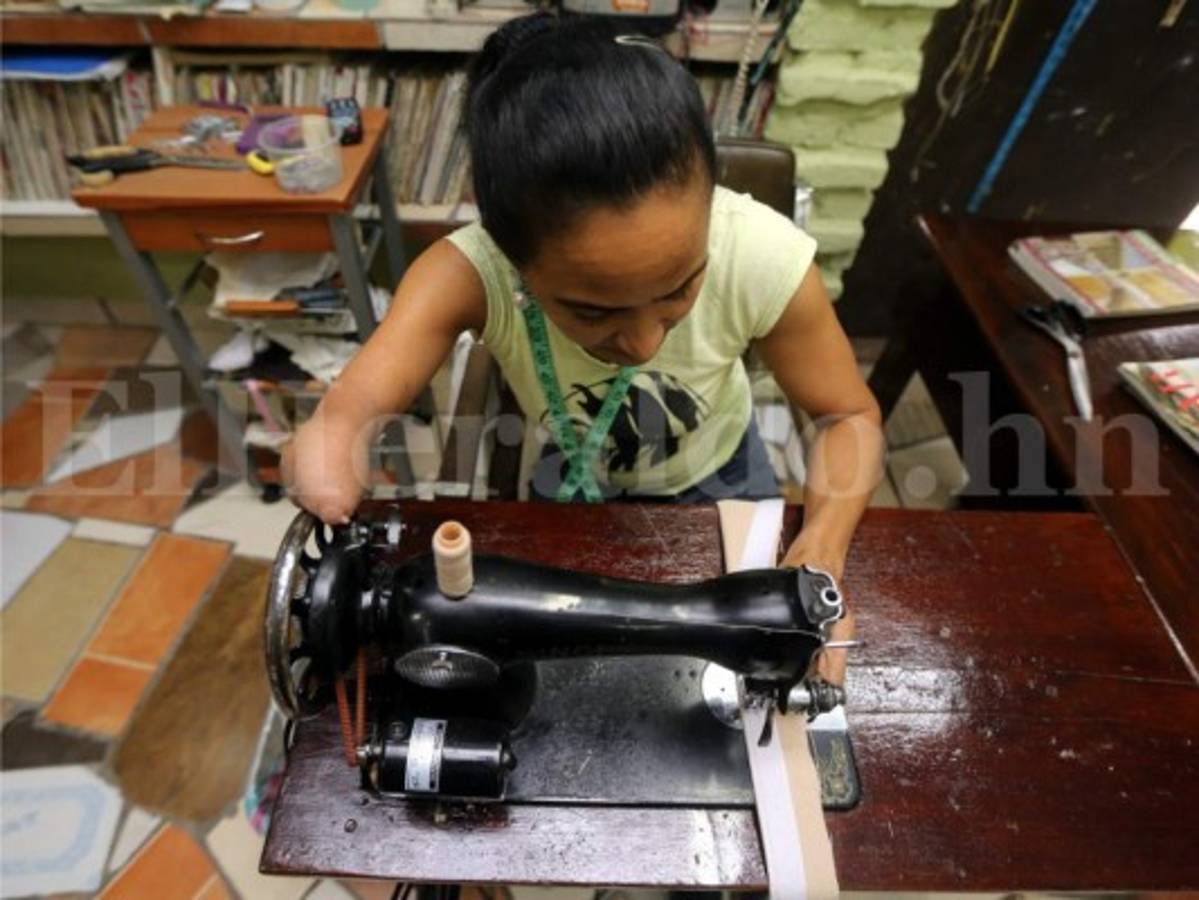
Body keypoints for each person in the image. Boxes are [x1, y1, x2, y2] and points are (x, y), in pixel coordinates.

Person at [284, 11, 883, 682]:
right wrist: (335, 433)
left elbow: (846, 417)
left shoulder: (763, 255)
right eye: (593, 311)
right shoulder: (468, 273)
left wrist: (821, 553)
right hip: (574, 477)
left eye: (680, 289)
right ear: (508, 252)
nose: (644, 342)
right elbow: (352, 409)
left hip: (723, 478)